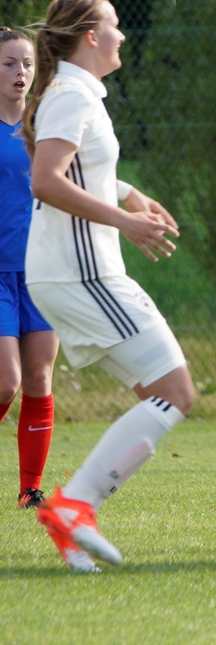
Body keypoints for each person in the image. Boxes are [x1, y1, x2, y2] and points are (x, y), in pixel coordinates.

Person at [22, 0, 195, 573]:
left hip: (74, 272)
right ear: (90, 37)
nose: (122, 35)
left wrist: (126, 192)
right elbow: (45, 180)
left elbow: (75, 168)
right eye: (114, 26)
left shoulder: (76, 94)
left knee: (165, 391)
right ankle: (74, 506)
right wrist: (123, 221)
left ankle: (71, 527)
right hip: (83, 273)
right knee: (174, 390)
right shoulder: (71, 95)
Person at [0, 27, 59, 510]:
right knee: (6, 382)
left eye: (26, 63)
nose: (20, 72)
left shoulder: (45, 128)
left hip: (40, 272)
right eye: (9, 64)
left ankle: (29, 491)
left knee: (39, 380)